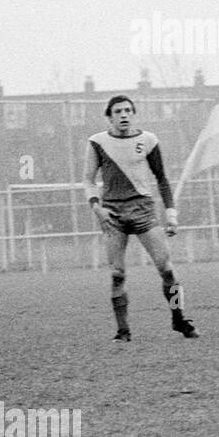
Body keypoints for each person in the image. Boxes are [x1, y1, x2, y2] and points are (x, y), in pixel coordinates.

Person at [83, 95, 198, 341]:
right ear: (109, 116)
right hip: (112, 213)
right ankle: (123, 331)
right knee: (117, 274)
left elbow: (162, 179)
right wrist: (97, 208)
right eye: (118, 111)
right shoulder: (97, 142)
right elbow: (88, 180)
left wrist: (171, 213)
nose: (123, 115)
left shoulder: (148, 140)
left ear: (134, 114)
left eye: (128, 110)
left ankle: (179, 318)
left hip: (143, 210)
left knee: (167, 270)